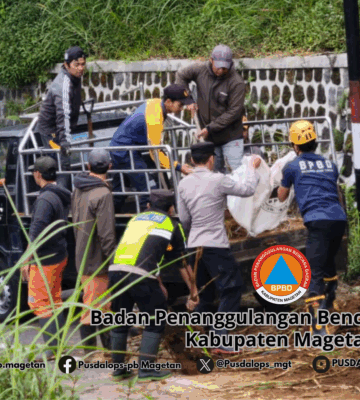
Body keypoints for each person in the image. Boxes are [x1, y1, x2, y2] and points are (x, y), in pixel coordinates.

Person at [177, 141, 261, 354]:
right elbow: (248, 189)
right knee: (232, 288)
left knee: (204, 293)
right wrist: (251, 168)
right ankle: (220, 338)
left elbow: (184, 219)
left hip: (194, 245)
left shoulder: (183, 184)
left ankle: (205, 339)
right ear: (211, 159)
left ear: (192, 161)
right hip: (215, 244)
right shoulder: (218, 179)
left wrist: (194, 235)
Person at [107, 190, 199, 381]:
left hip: (115, 271)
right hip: (140, 276)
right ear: (171, 208)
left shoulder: (136, 219)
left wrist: (158, 282)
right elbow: (181, 262)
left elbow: (143, 250)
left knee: (120, 320)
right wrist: (194, 291)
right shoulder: (171, 224)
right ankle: (146, 370)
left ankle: (118, 370)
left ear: (148, 205)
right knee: (156, 319)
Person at [277, 120, 347, 336]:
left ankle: (318, 329)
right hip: (338, 219)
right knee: (328, 265)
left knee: (314, 272)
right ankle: (331, 305)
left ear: (295, 146)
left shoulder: (292, 166)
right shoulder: (330, 165)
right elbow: (333, 191)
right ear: (315, 142)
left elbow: (282, 196)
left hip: (317, 220)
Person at [108, 84, 195, 210]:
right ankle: (149, 224)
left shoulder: (157, 103)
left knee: (120, 190)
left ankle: (106, 222)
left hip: (123, 147)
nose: (182, 108)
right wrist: (178, 167)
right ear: (169, 102)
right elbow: (155, 152)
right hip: (125, 152)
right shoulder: (154, 118)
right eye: (180, 105)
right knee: (149, 191)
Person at [20, 156, 71, 359]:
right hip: (60, 253)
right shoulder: (60, 195)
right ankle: (59, 345)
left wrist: (26, 261)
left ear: (38, 174)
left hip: (46, 259)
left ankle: (52, 349)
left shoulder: (44, 200)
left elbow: (36, 234)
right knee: (54, 300)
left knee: (39, 302)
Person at [175, 45, 246, 173]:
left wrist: (210, 128)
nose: (221, 70)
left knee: (237, 171)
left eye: (225, 67)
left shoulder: (237, 83)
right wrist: (187, 99)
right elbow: (181, 75)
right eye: (218, 66)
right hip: (209, 138)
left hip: (231, 136)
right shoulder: (200, 69)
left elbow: (234, 112)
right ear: (211, 60)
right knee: (213, 175)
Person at [72, 148, 117, 351]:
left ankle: (99, 352)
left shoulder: (78, 189)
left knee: (95, 305)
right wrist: (115, 261)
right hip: (96, 260)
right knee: (96, 309)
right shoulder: (103, 193)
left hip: (82, 256)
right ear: (110, 166)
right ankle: (95, 354)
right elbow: (106, 235)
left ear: (88, 166)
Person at [36, 46, 87, 190]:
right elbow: (63, 113)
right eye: (76, 65)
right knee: (59, 165)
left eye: (83, 64)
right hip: (51, 132)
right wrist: (64, 140)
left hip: (61, 128)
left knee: (64, 164)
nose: (80, 68)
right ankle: (60, 199)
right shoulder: (63, 84)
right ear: (66, 65)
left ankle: (62, 197)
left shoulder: (74, 77)